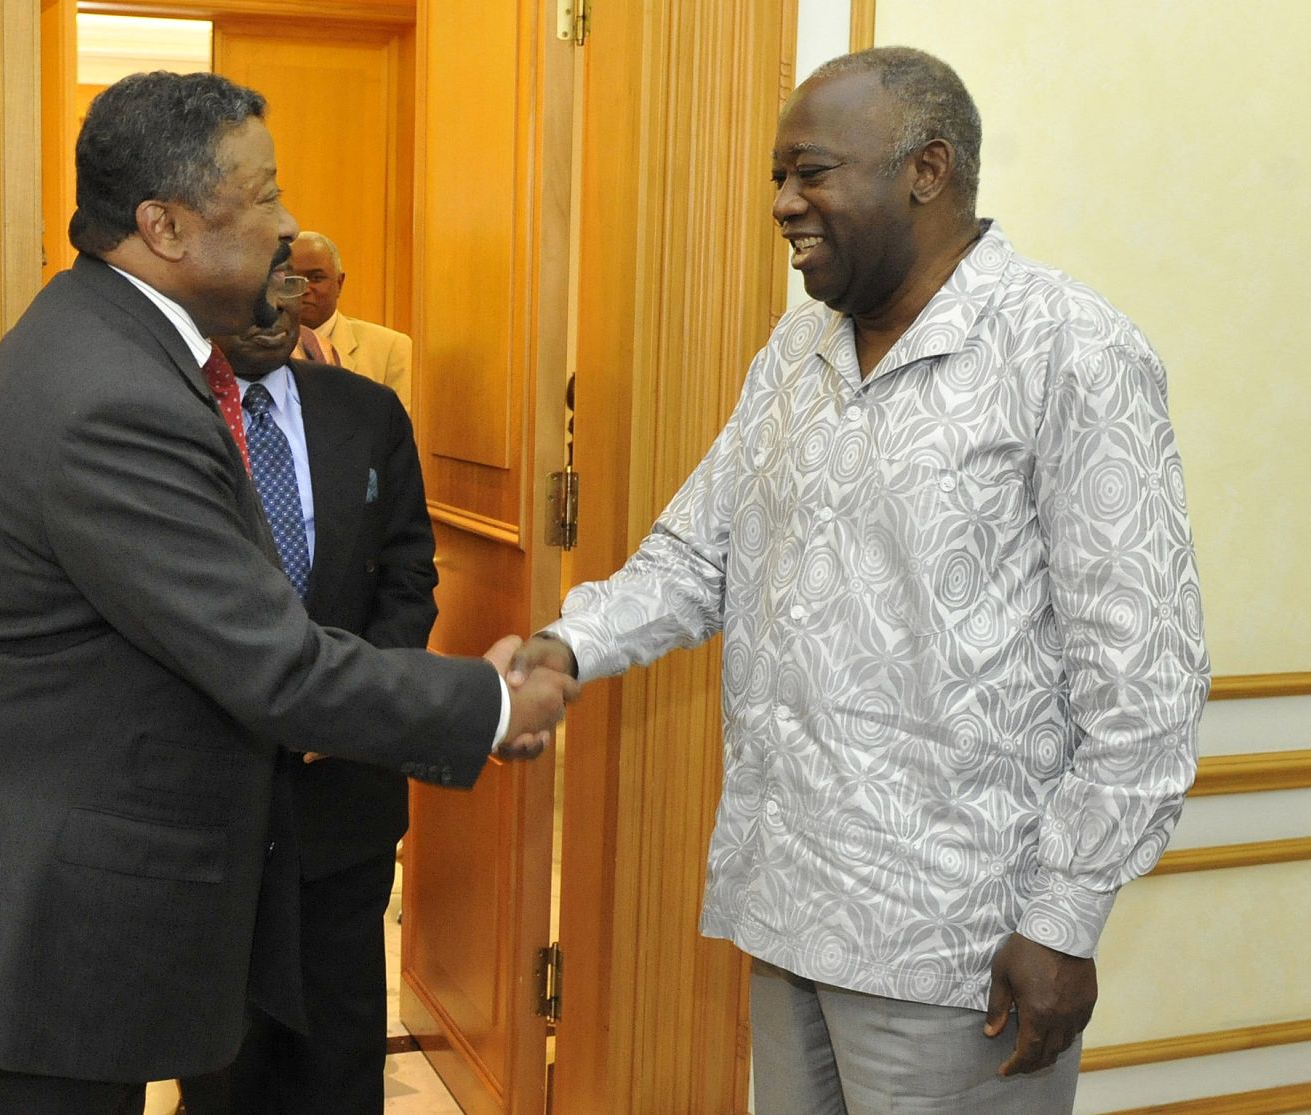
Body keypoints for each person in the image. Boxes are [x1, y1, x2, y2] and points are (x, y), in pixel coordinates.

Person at [0, 71, 575, 1115]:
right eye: (263, 195)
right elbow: (273, 662)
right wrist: (488, 701)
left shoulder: (108, 339)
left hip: (30, 908)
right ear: (163, 225)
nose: (287, 225)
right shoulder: (115, 394)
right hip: (2, 928)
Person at [509, 47, 1209, 1114]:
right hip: (787, 906)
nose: (783, 204)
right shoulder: (796, 352)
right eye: (777, 177)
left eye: (811, 172)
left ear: (927, 169)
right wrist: (568, 645)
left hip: (961, 950)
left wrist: (1064, 919)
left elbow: (1144, 680)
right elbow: (699, 553)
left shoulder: (1071, 352)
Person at [177, 291, 432, 1113]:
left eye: (288, 278)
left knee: (340, 1044)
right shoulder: (162, 410)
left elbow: (409, 576)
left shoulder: (368, 410)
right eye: (258, 276)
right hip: (211, 791)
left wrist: (355, 700)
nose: (274, 302)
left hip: (343, 790)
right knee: (226, 1055)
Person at [290, 230, 413, 412]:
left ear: (339, 283)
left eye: (316, 278)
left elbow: (400, 424)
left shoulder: (390, 348)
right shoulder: (260, 348)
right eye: (292, 279)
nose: (304, 289)